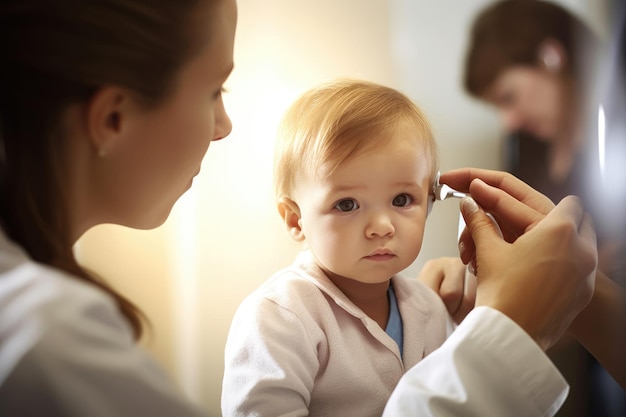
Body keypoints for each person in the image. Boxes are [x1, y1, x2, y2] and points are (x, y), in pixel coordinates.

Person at [0, 0, 601, 416]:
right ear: (111, 117)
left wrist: (485, 329)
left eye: (403, 199)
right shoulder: (44, 342)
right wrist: (507, 337)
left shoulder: (427, 302)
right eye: (215, 90)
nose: (222, 125)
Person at [221, 79, 457, 417]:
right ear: (295, 219)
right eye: (347, 205)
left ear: (431, 200)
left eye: (402, 200)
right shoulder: (280, 317)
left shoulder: (431, 310)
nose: (381, 227)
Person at [462, 1, 626, 415]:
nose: (509, 121)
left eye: (509, 96)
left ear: (552, 57)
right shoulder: (526, 152)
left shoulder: (614, 138)